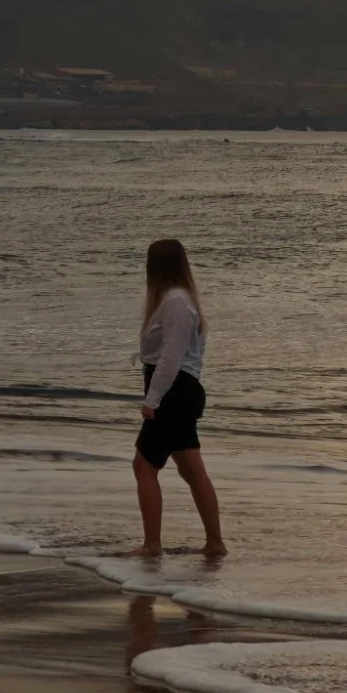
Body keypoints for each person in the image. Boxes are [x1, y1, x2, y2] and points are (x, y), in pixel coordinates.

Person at [133, 237, 225, 557]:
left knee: (143, 466)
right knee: (191, 469)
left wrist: (153, 399)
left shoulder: (175, 301)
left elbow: (171, 357)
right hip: (181, 390)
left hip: (174, 392)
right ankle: (215, 543)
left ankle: (152, 545)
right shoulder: (180, 300)